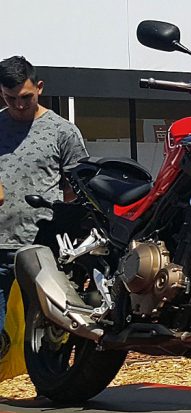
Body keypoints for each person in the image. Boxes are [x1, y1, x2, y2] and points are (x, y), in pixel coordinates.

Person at [0, 55, 88, 330]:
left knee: (39, 332)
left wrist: (61, 221)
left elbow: (79, 188)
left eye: (25, 97)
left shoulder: (63, 131)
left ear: (39, 87)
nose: (19, 105)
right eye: (10, 98)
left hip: (41, 248)